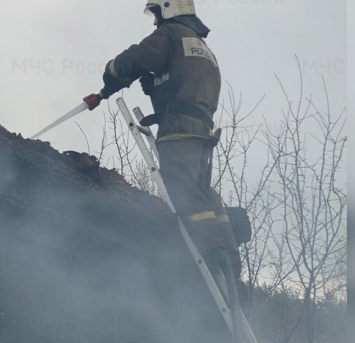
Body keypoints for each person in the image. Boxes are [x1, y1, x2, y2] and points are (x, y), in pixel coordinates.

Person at [83, 0, 243, 303]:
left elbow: (137, 57)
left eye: (156, 15)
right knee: (203, 194)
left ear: (170, 10)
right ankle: (229, 267)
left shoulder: (171, 33)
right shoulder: (203, 48)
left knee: (182, 192)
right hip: (201, 132)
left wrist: (111, 73)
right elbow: (187, 85)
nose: (155, 22)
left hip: (178, 130)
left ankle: (205, 263)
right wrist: (156, 86)